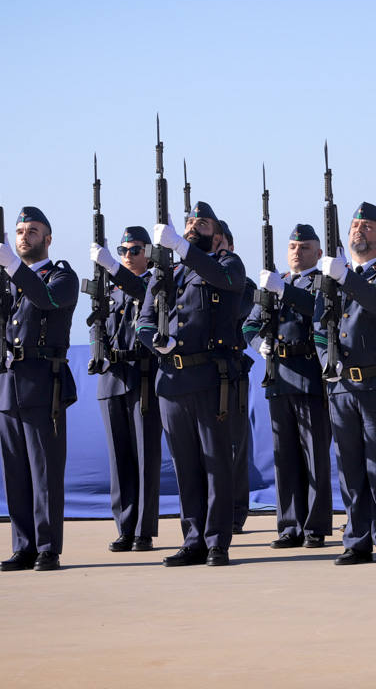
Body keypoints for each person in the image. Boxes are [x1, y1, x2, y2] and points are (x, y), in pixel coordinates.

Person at [135, 201, 245, 567]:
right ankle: (193, 538)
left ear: (216, 233)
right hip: (171, 381)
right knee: (185, 466)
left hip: (211, 379)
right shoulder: (164, 273)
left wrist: (181, 249)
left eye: (203, 222)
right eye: (189, 223)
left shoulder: (228, 264)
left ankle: (217, 541)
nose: (194, 226)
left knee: (215, 461)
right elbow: (144, 321)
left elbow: (225, 281)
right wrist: (156, 341)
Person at [0, 206, 77, 572]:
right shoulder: (2, 280)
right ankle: (24, 546)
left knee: (45, 471)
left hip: (43, 384)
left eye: (33, 230)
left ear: (48, 238)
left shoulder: (61, 276)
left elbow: (47, 300)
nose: (24, 236)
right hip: (6, 385)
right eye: (19, 230)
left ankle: (48, 548)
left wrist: (12, 267)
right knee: (15, 473)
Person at [314, 202, 376, 565]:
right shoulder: (333, 277)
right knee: (350, 468)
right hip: (341, 387)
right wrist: (327, 362)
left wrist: (344, 278)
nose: (359, 230)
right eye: (355, 225)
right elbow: (319, 328)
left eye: (368, 226)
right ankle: (356, 540)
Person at [244, 224, 333, 549]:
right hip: (278, 378)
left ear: (318, 253)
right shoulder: (275, 281)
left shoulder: (322, 281)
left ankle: (315, 526)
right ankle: (289, 526)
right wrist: (257, 343)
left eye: (305, 247)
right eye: (293, 246)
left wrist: (283, 290)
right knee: (285, 458)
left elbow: (318, 309)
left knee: (315, 458)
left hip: (310, 377)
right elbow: (250, 323)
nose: (297, 251)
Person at [88, 226, 163, 553]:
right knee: (119, 459)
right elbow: (96, 323)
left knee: (145, 455)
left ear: (147, 251)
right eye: (122, 250)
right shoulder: (110, 289)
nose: (127, 255)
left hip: (143, 376)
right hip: (112, 377)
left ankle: (143, 529)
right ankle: (124, 526)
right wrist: (98, 354)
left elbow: (144, 297)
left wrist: (113, 270)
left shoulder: (153, 283)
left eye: (134, 250)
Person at [218, 219, 256, 534]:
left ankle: (235, 512)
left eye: (221, 242)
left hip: (231, 373)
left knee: (234, 445)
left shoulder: (244, 285)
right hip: (200, 374)